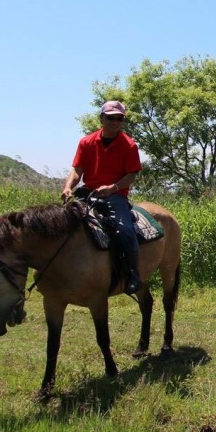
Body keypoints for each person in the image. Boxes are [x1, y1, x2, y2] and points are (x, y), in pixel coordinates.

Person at [61, 100, 145, 294]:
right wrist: (68, 188)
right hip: (88, 193)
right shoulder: (87, 142)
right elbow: (77, 170)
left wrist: (113, 187)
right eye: (111, 117)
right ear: (102, 118)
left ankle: (132, 274)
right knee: (60, 223)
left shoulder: (129, 145)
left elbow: (132, 174)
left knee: (125, 230)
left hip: (115, 196)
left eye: (120, 118)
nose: (115, 121)